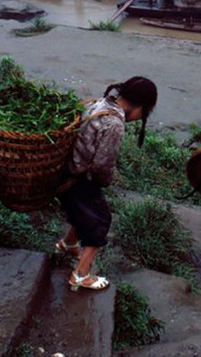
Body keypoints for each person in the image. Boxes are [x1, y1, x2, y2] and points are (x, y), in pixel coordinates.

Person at [55, 77, 158, 292]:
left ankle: (68, 244)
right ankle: (81, 275)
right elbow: (103, 164)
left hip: (66, 171)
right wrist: (104, 182)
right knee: (100, 220)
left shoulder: (99, 103)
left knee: (82, 212)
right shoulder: (114, 124)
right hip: (81, 178)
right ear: (140, 106)